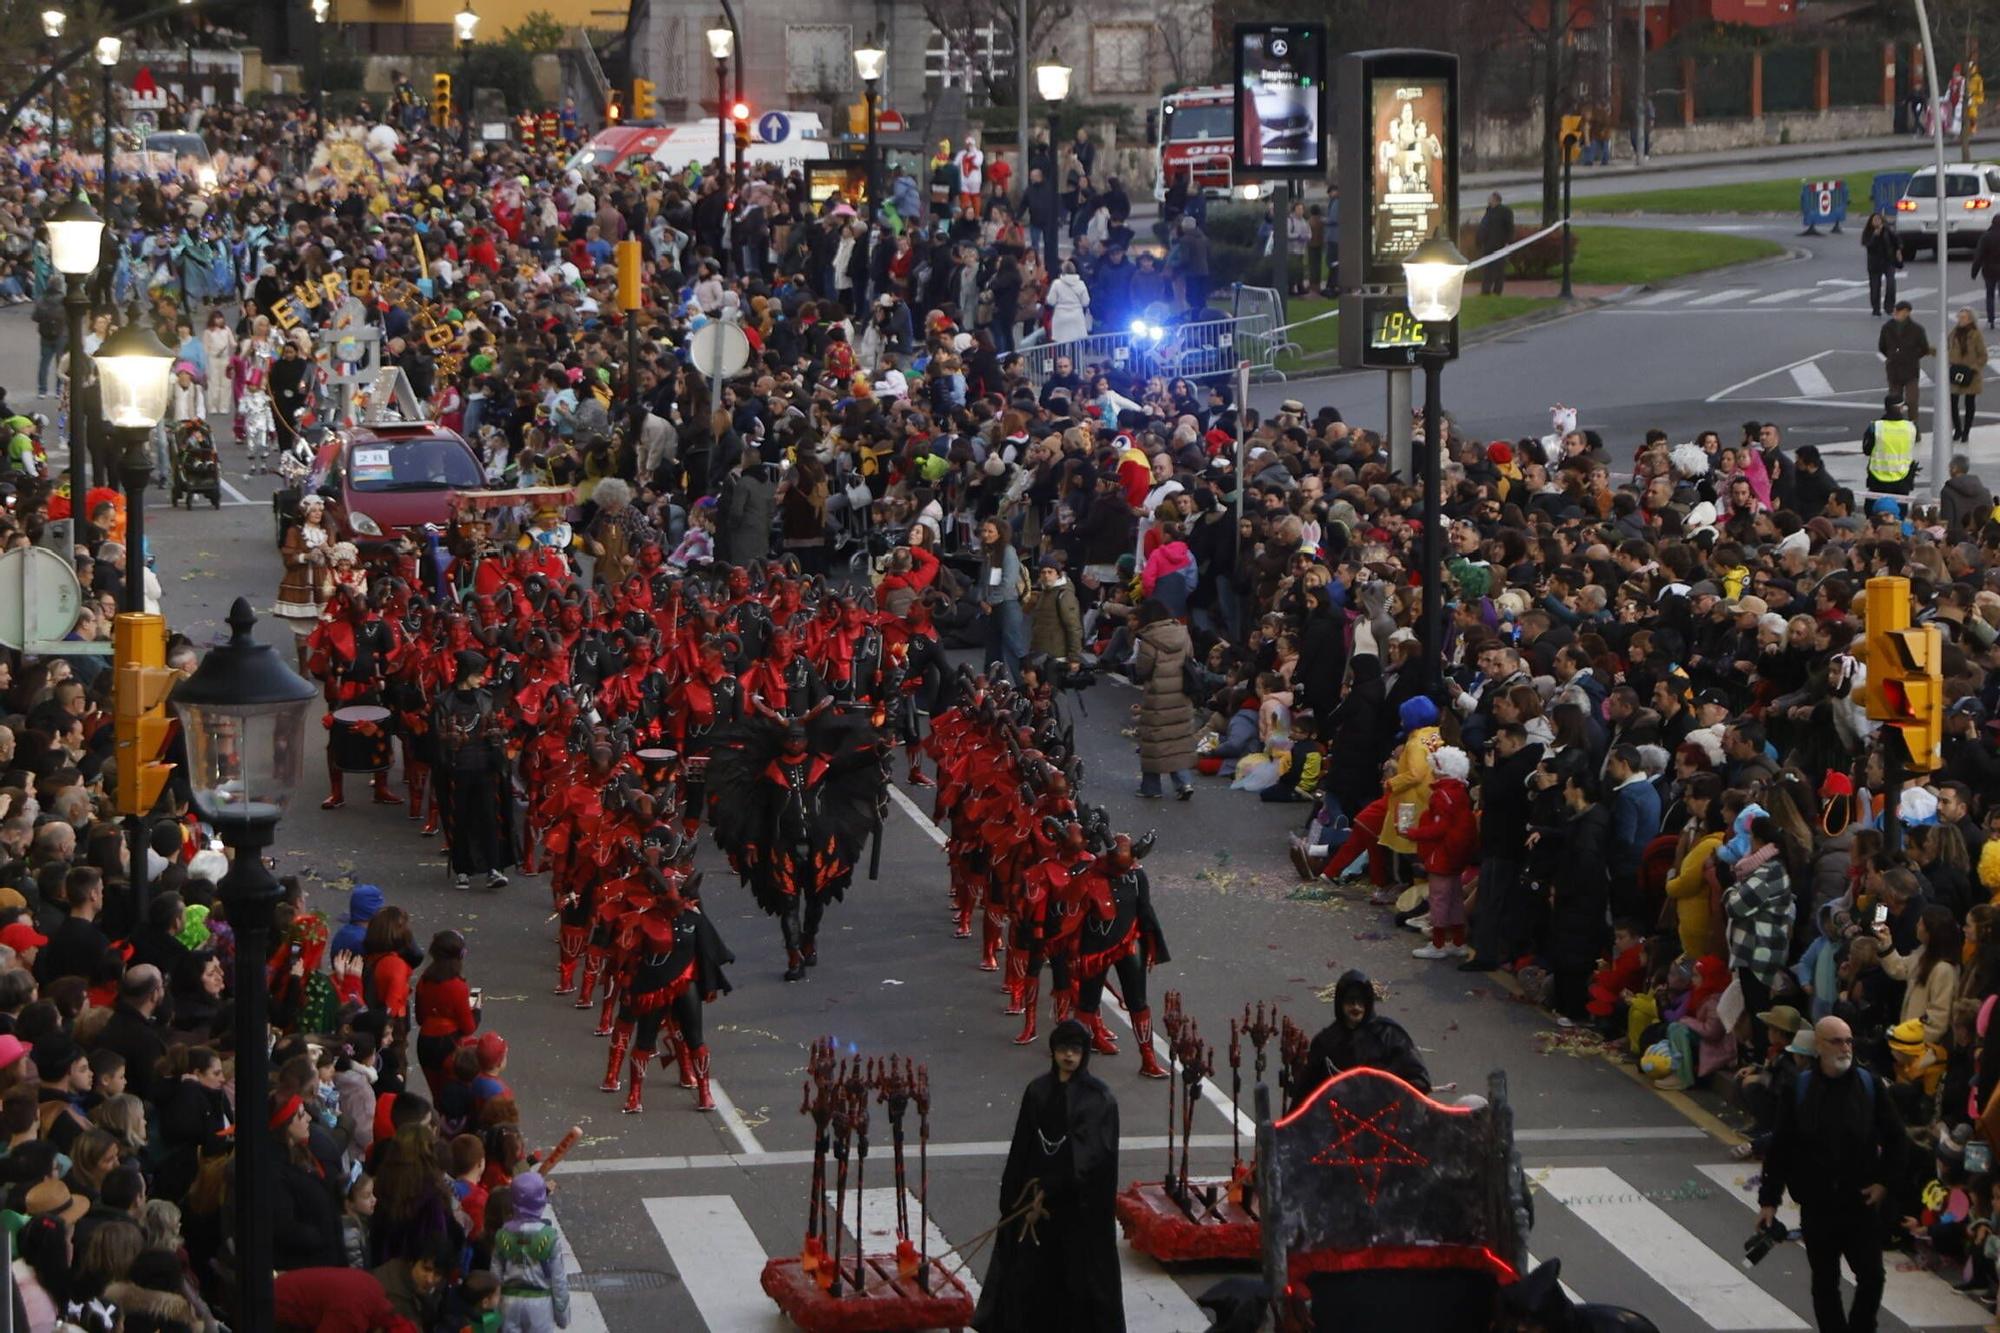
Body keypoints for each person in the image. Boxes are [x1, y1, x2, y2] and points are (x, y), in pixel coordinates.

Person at [971, 1020, 1123, 1333]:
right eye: (1063, 1049)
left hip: (1076, 1213)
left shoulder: (1098, 1099)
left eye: (1076, 1050)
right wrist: (1013, 1200)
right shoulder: (1037, 1092)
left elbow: (1095, 1158)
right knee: (1032, 1282)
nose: (1069, 1056)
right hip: (1036, 1210)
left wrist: (1055, 1186)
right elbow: (1022, 1145)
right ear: (1053, 1052)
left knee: (1076, 1287)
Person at [1757, 1015, 1906, 1333]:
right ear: (1818, 1047)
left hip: (1859, 1202)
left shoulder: (1869, 1085)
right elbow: (1781, 1146)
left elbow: (1897, 1138)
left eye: (1849, 1041)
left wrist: (1884, 1182)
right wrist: (1769, 1200)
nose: (1845, 1048)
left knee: (1872, 1277)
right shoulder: (1799, 1088)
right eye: (1836, 1041)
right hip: (1818, 1204)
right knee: (1825, 1282)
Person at [431, 650, 515, 891]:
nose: (482, 678)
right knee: (461, 820)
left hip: (485, 770)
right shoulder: (444, 702)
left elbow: (499, 729)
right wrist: (449, 746)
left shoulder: (486, 699)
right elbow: (437, 741)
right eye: (479, 674)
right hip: (458, 772)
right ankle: (463, 869)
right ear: (467, 674)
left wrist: (498, 742)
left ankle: (493, 867)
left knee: (490, 818)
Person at [1297, 969, 1432, 1095]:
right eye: (1350, 1001)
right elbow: (1307, 1094)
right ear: (1340, 1003)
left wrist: (1387, 1090)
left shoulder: (1389, 1035)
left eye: (1360, 1001)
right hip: (1338, 1115)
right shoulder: (1326, 1042)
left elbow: (1420, 1080)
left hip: (1383, 1114)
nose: (1356, 1007)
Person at [1877, 301, 1933, 433]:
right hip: (1894, 369)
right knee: (1894, 401)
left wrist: (1911, 357)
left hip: (1910, 370)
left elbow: (1924, 348)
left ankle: (1914, 427)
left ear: (1907, 312)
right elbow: (1882, 346)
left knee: (1912, 400)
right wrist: (1892, 356)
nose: (1895, 313)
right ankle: (1896, 427)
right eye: (1896, 310)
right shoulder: (1887, 327)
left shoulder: (1917, 329)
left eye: (1899, 310)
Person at [1862, 394, 1918, 502]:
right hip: (1902, 478)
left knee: (1875, 511)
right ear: (1901, 408)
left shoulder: (1875, 427)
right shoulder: (1911, 427)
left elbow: (1866, 450)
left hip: (1878, 479)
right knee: (1900, 513)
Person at [1947, 307, 1987, 443]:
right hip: (1956, 372)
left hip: (1971, 374)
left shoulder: (1976, 334)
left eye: (1963, 317)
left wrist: (1974, 368)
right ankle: (1957, 429)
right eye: (1959, 317)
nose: (1960, 319)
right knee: (1952, 402)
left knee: (1969, 403)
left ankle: (1966, 431)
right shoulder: (1954, 333)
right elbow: (1947, 346)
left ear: (1970, 319)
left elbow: (1983, 355)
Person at [1860, 212, 1901, 317]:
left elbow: (1897, 240)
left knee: (1891, 283)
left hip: (1888, 261)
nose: (1877, 222)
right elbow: (1868, 246)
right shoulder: (1868, 233)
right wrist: (1875, 235)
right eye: (1875, 220)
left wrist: (1898, 251)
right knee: (1875, 286)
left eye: (1879, 220)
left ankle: (1889, 307)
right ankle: (1876, 308)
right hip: (1874, 263)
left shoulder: (1887, 230)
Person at [1475, 192, 1514, 295]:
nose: (1489, 200)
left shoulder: (1505, 212)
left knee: (1499, 269)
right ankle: (1485, 290)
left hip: (1499, 245)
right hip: (1488, 244)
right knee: (1487, 269)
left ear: (1496, 199)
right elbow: (1484, 227)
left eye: (1490, 198)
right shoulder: (1489, 211)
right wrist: (1480, 240)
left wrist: (1508, 242)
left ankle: (1497, 291)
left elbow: (1510, 228)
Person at [1970, 211, 2000, 328]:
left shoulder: (1986, 237)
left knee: (1990, 295)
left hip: (1989, 270)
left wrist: (1974, 271)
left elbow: (1979, 255)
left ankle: (1991, 319)